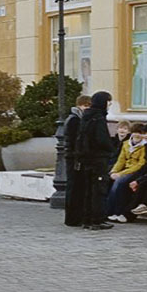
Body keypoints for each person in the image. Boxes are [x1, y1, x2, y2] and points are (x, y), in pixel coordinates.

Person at [76, 91, 115, 231]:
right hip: (98, 159)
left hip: (87, 159)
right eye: (108, 102)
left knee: (89, 189)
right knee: (99, 189)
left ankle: (87, 219)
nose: (109, 105)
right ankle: (96, 219)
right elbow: (101, 139)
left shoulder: (87, 116)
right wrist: (111, 148)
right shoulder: (98, 118)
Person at [105, 122, 147, 222]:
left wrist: (120, 174)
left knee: (119, 183)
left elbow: (140, 164)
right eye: (135, 132)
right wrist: (113, 171)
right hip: (124, 170)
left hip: (135, 171)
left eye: (140, 133)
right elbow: (121, 160)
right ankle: (108, 211)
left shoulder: (144, 147)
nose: (137, 135)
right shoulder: (126, 144)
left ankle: (118, 211)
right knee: (107, 180)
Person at [63, 94, 92, 227]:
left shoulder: (74, 118)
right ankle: (73, 218)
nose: (87, 109)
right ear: (81, 105)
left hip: (72, 156)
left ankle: (73, 217)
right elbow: (75, 140)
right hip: (74, 158)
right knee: (75, 188)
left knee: (74, 187)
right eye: (86, 106)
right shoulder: (75, 120)